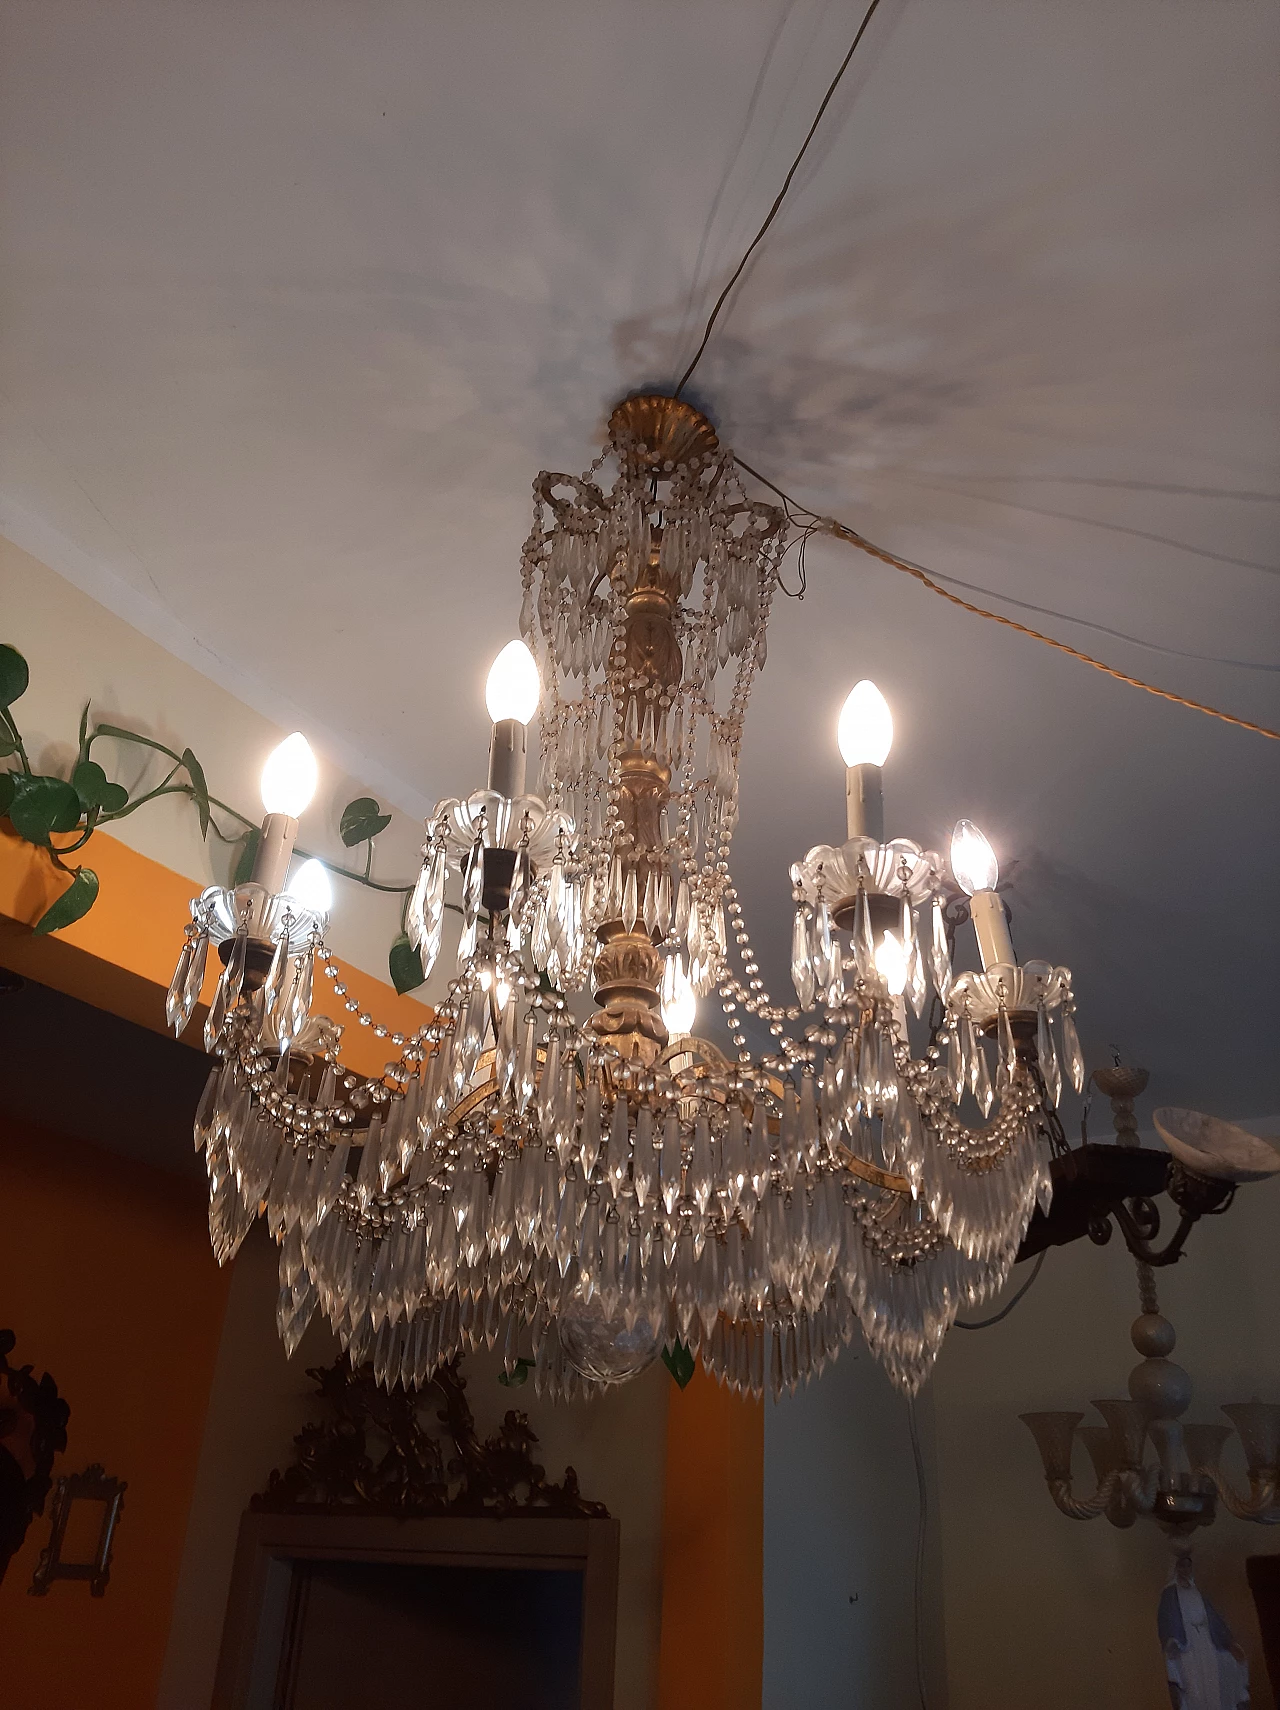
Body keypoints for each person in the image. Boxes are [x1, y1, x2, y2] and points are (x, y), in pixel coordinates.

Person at [1159, 1551, 1250, 1709]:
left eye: (1188, 1565)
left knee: (1219, 1672)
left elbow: (1213, 1617)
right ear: (1175, 1567)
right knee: (1194, 1684)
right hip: (1185, 1644)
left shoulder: (1197, 1592)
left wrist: (1227, 1640)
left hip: (1206, 1641)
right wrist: (1172, 1641)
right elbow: (1167, 1619)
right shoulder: (1170, 1593)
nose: (1185, 1569)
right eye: (1182, 1565)